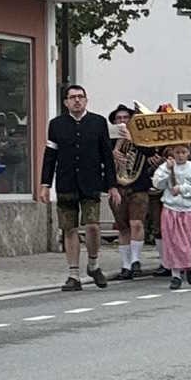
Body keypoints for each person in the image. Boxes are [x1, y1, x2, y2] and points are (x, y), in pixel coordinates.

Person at [38, 84, 119, 291]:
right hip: (66, 182)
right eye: (72, 97)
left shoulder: (98, 122)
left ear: (86, 100)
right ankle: (73, 274)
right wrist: (45, 184)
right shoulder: (56, 124)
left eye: (80, 97)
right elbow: (50, 156)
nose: (77, 100)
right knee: (69, 228)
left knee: (92, 225)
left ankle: (93, 264)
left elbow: (107, 157)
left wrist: (112, 185)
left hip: (91, 182)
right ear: (65, 102)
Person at [109, 104, 156, 280]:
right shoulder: (109, 139)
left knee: (137, 223)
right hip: (118, 187)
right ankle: (125, 265)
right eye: (119, 119)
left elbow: (150, 151)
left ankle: (136, 261)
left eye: (125, 118)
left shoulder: (141, 136)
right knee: (123, 228)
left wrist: (133, 139)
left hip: (138, 186)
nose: (122, 121)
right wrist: (112, 153)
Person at [151, 142, 191, 289]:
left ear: (188, 153)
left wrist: (182, 189)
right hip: (171, 209)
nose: (180, 155)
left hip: (188, 210)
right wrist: (168, 171)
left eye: (183, 152)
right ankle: (175, 275)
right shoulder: (166, 167)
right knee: (173, 242)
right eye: (177, 152)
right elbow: (157, 183)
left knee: (188, 241)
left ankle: (189, 266)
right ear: (172, 153)